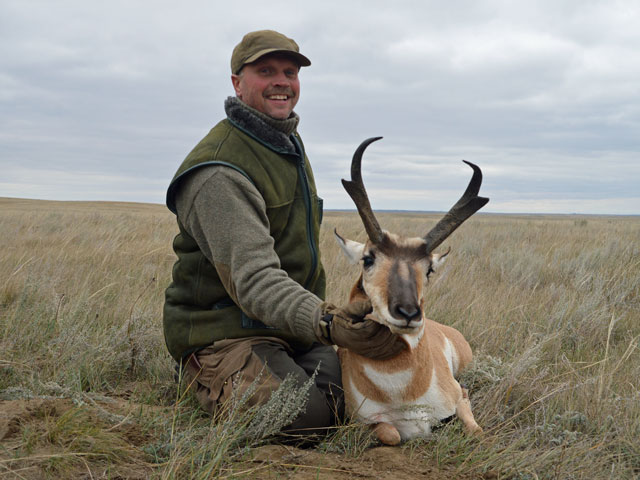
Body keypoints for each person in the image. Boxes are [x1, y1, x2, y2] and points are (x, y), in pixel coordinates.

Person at [163, 29, 405, 437]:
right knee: (302, 417)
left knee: (353, 398)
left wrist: (348, 315)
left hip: (291, 330)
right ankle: (199, 376)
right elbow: (254, 280)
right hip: (226, 333)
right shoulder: (219, 170)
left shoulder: (286, 142)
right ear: (237, 83)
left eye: (290, 72)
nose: (281, 81)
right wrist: (328, 322)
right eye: (266, 71)